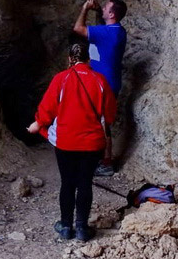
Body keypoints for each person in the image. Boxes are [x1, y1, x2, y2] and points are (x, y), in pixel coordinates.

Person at [27, 43, 117, 242]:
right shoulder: (100, 80)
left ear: (70, 59)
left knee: (68, 183)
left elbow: (47, 108)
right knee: (85, 183)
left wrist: (37, 123)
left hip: (66, 142)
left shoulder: (61, 78)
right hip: (93, 143)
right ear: (89, 60)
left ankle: (66, 226)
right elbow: (109, 115)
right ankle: (83, 228)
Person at [72, 0, 127, 176]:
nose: (102, 8)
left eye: (105, 8)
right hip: (105, 82)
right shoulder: (116, 31)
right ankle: (97, 158)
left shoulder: (109, 33)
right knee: (97, 121)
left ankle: (106, 163)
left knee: (102, 123)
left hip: (105, 85)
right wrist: (97, 10)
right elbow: (99, 30)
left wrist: (85, 8)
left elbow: (78, 29)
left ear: (111, 14)